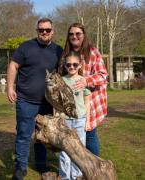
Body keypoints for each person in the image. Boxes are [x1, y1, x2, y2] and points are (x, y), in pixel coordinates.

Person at [7, 18, 63, 180]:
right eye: (41, 30)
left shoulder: (58, 50)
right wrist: (10, 87)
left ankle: (41, 164)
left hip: (48, 102)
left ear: (52, 31)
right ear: (37, 31)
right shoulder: (26, 47)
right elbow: (13, 66)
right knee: (24, 135)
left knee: (43, 136)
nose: (44, 32)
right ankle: (20, 168)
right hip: (26, 100)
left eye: (47, 30)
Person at [59, 23, 107, 156]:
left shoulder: (92, 52)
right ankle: (75, 170)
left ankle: (95, 170)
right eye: (71, 34)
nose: (74, 36)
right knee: (71, 139)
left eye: (78, 33)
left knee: (90, 135)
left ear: (83, 35)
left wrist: (86, 81)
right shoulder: (66, 54)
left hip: (89, 102)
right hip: (70, 105)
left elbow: (103, 75)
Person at [59, 51, 90, 180]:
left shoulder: (83, 81)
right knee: (64, 152)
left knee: (79, 151)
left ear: (80, 65)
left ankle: (77, 176)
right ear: (65, 66)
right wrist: (59, 118)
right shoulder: (61, 81)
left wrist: (87, 121)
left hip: (80, 121)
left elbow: (87, 102)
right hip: (65, 121)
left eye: (75, 64)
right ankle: (65, 177)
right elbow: (56, 102)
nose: (71, 67)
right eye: (68, 65)